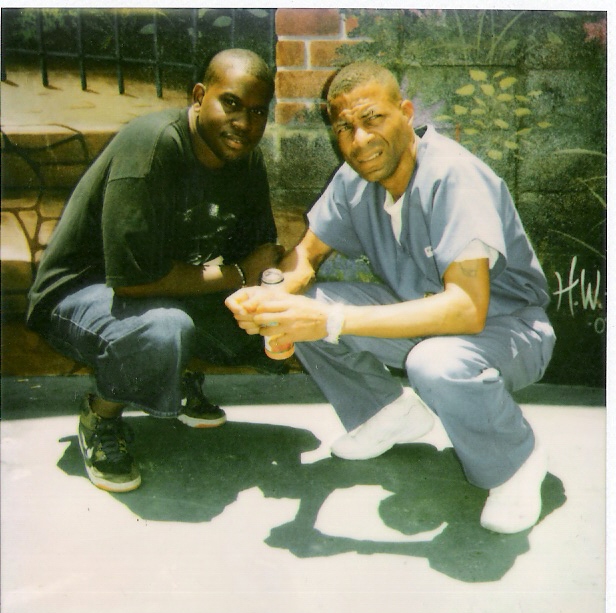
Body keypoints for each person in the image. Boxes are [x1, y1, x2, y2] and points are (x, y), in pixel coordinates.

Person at [226, 61, 556, 535]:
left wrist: (329, 322)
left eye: (373, 119)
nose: (360, 140)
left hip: (507, 329)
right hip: (425, 320)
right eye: (345, 127)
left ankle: (515, 460)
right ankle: (386, 412)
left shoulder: (453, 176)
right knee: (308, 301)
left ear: (406, 112)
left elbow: (466, 309)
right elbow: (308, 255)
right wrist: (269, 300)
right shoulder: (355, 177)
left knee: (433, 362)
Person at [27, 49, 284, 493]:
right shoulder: (152, 145)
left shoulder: (243, 157)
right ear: (199, 96)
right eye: (231, 104)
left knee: (271, 311)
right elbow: (133, 281)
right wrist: (241, 274)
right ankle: (101, 417)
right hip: (83, 294)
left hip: (165, 287)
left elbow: (257, 254)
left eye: (258, 111)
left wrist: (267, 286)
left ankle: (176, 379)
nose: (245, 123)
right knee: (165, 330)